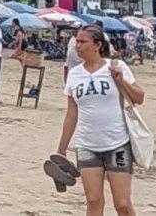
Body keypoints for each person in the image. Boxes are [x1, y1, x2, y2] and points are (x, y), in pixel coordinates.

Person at [51, 24, 145, 216]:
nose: (77, 45)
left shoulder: (116, 67)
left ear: (97, 45)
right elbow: (72, 114)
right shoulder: (75, 74)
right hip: (87, 145)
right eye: (76, 41)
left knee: (123, 204)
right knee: (93, 201)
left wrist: (120, 80)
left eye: (83, 41)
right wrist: (61, 149)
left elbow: (139, 98)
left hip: (117, 143)